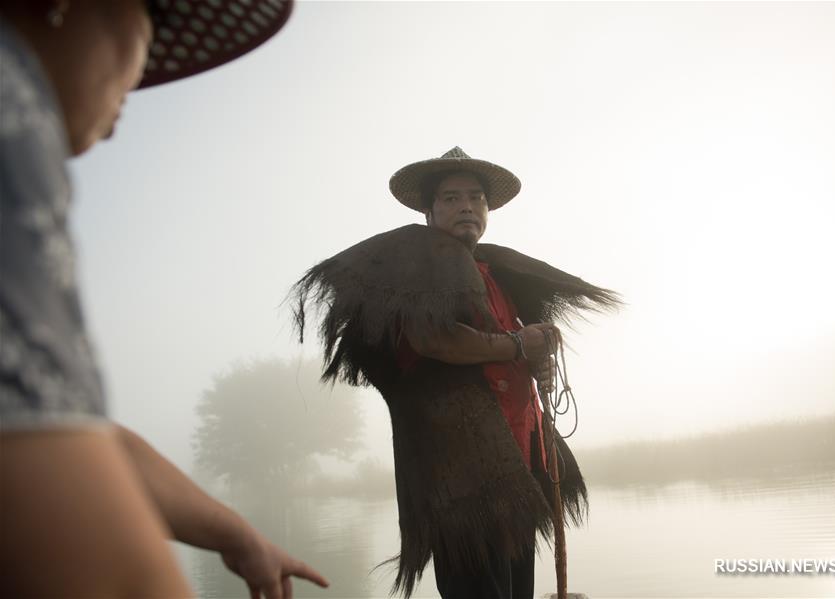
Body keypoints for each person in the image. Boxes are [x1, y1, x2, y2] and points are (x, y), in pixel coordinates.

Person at [0, 1, 328, 597]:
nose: (134, 90)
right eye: (152, 30)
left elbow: (67, 426)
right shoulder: (11, 102)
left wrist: (238, 535)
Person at [290, 146, 620, 598]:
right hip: (464, 480)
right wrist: (520, 344)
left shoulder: (493, 271)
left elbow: (510, 351)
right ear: (428, 212)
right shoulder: (417, 266)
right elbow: (434, 340)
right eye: (450, 198)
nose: (467, 206)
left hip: (516, 464)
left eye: (477, 197)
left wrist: (536, 356)